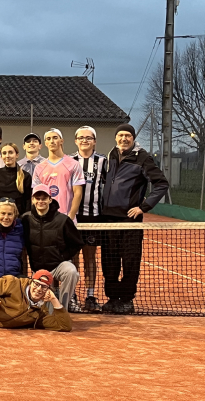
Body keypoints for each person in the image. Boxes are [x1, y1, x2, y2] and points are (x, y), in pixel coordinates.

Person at [100, 123, 169, 314]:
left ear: (133, 138)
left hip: (130, 220)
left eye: (128, 136)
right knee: (109, 261)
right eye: (121, 135)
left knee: (130, 261)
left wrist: (143, 207)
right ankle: (112, 298)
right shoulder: (110, 156)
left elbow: (161, 184)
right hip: (108, 220)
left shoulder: (143, 158)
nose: (124, 138)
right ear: (116, 137)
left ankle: (126, 299)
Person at [20, 184, 84, 312]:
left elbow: (77, 243)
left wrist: (62, 257)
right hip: (38, 270)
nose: (40, 201)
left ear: (50, 199)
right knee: (45, 312)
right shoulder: (25, 219)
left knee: (71, 272)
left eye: (44, 198)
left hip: (58, 265)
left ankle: (62, 309)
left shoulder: (63, 220)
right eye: (37, 198)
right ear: (33, 200)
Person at [71, 126, 107, 312]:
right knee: (73, 257)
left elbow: (110, 186)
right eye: (81, 137)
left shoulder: (103, 161)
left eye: (88, 138)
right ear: (75, 141)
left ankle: (90, 296)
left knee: (90, 257)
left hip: (93, 217)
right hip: (73, 217)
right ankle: (72, 295)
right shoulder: (69, 161)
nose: (84, 140)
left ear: (94, 141)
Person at [32, 129, 85, 221]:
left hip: (66, 217)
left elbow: (78, 193)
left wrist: (71, 217)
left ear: (61, 141)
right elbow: (35, 196)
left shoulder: (73, 164)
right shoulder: (39, 168)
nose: (52, 141)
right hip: (46, 219)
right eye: (48, 139)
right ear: (45, 143)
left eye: (55, 138)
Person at [0, 142, 31, 218]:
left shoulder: (26, 176)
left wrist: (24, 220)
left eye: (10, 152)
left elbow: (28, 201)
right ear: (1, 156)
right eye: (4, 153)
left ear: (17, 155)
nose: (7, 156)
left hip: (17, 220)